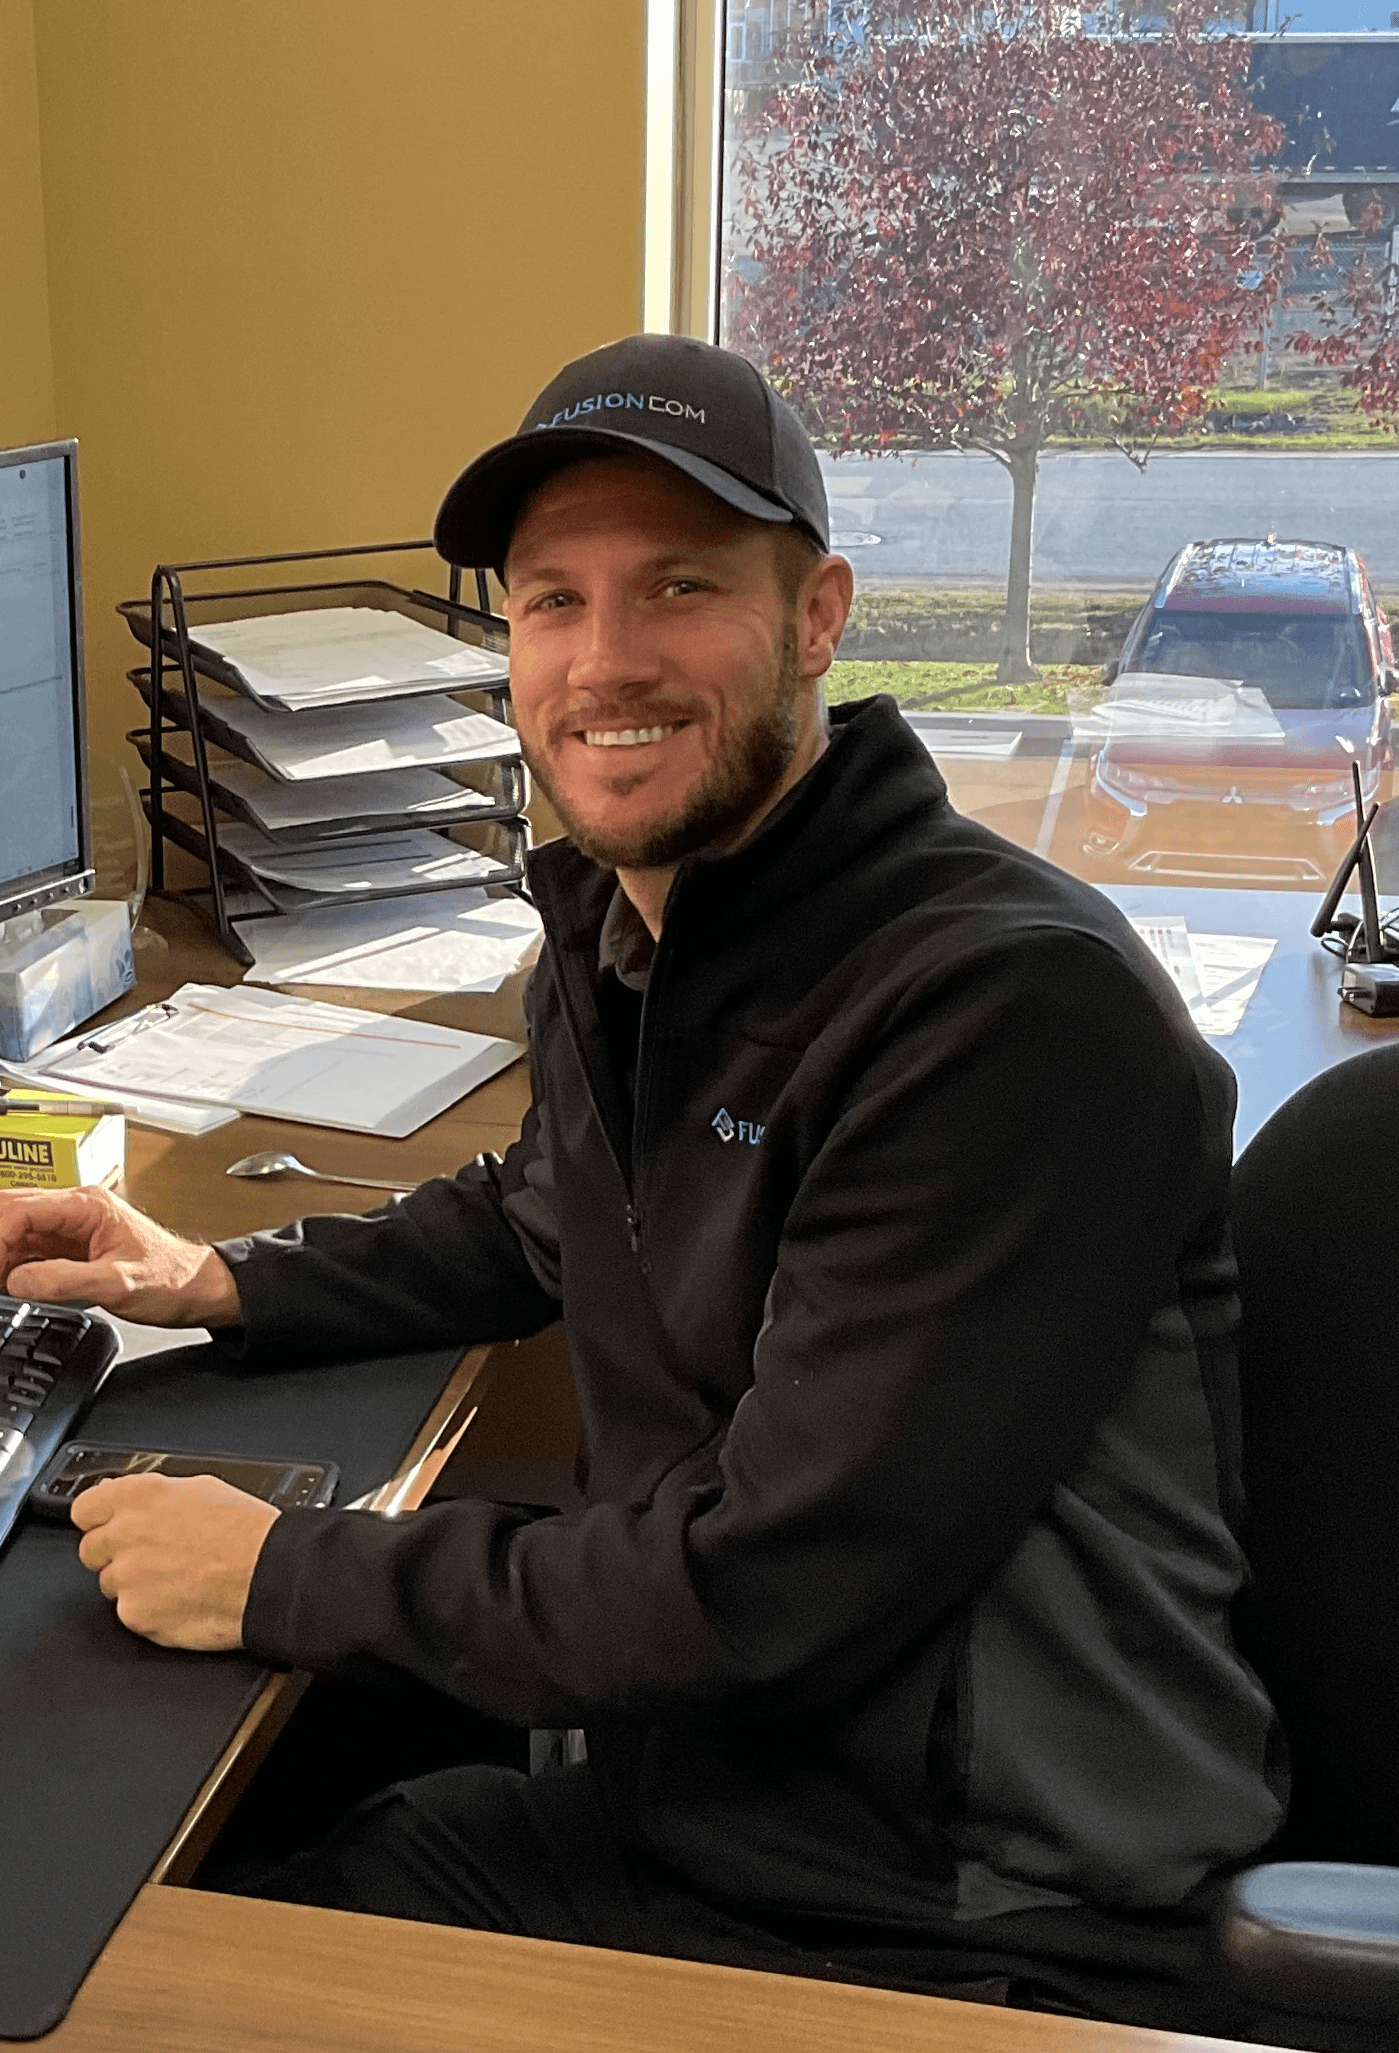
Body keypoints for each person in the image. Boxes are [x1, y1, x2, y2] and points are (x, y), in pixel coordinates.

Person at [0, 335, 1282, 2032]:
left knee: (133, 1979)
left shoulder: (1001, 1012)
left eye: (677, 587)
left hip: (955, 1900)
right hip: (717, 1765)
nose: (605, 662)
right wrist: (214, 1278)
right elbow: (549, 1212)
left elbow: (771, 1582)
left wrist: (281, 1575)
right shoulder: (636, 917)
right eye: (551, 602)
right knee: (188, 1822)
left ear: (815, 615)